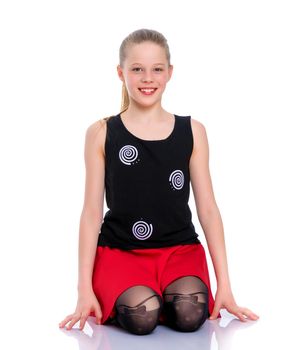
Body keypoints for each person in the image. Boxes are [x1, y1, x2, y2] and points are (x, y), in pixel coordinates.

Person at [59, 28, 259, 336]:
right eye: (137, 69)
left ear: (170, 73)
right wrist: (83, 288)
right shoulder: (102, 133)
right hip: (122, 253)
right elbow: (90, 214)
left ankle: (165, 292)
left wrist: (225, 285)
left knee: (190, 316)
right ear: (120, 72)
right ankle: (142, 292)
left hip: (180, 252)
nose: (147, 78)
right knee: (142, 318)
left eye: (157, 69)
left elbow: (208, 209)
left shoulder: (192, 131)